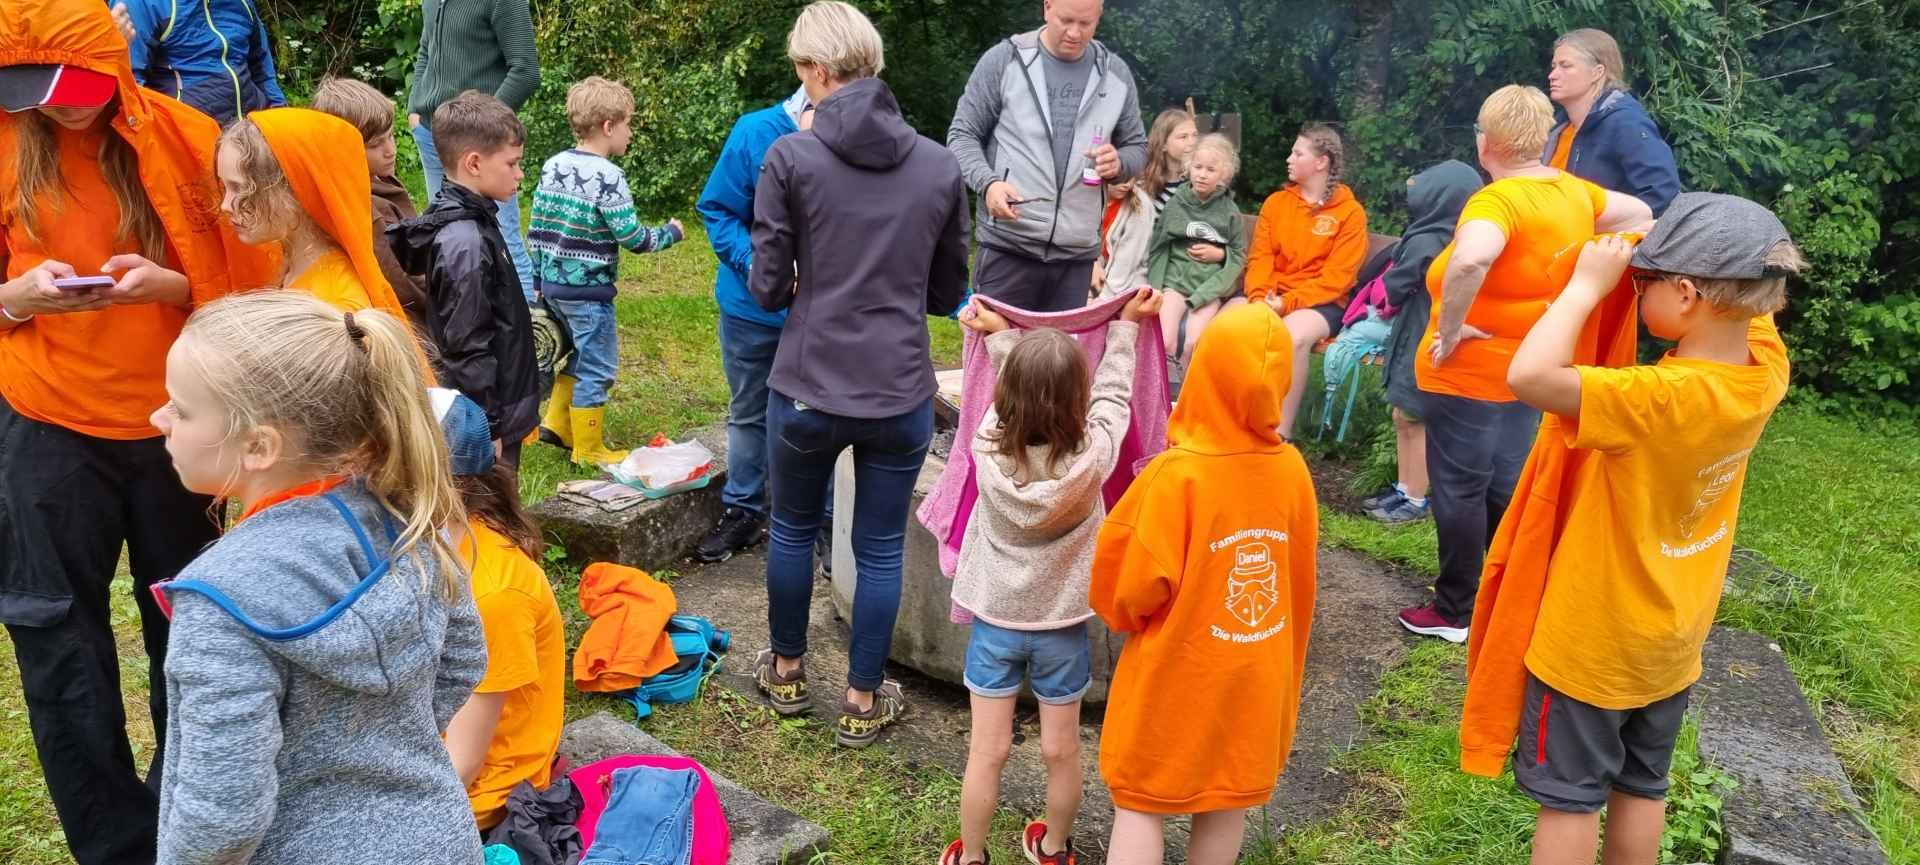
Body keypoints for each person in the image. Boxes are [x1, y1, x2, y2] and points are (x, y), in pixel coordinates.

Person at [0, 4, 277, 861]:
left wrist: (172, 286)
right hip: (46, 424)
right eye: (34, 91)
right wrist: (17, 299)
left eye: (73, 89)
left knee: (195, 631)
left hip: (181, 427)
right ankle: (114, 845)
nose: (56, 107)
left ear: (116, 64)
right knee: (57, 639)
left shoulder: (186, 137)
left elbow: (255, 277)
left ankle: (192, 822)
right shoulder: (8, 137)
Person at [1500, 195, 1798, 865]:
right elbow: (1756, 302)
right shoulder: (1763, 376)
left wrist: (1586, 286)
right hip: (1673, 639)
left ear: (1687, 294)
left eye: (1644, 283)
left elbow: (1529, 375)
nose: (1634, 292)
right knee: (1642, 784)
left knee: (1572, 800)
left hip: (1594, 644)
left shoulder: (1654, 399)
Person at [148, 291, 486, 864]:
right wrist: (388, 744)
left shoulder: (219, 599)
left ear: (258, 446)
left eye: (180, 410)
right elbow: (464, 657)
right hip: (438, 839)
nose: (158, 418)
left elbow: (220, 821)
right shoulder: (405, 519)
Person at [748, 1, 970, 748]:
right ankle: (862, 698)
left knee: (791, 528)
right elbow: (945, 292)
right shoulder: (939, 165)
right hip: (899, 389)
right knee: (878, 547)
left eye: (800, 70)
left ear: (817, 70)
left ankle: (785, 672)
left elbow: (766, 287)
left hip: (808, 384)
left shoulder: (791, 157)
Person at [1396, 85, 1653, 642]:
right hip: (1532, 370)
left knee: (1460, 488)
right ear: (1541, 139)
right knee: (1502, 482)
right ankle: (1510, 589)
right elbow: (1640, 213)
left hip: (1468, 372)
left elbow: (1471, 259)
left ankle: (1455, 610)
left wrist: (1450, 327)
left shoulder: (1497, 201)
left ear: (1485, 143)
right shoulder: (1572, 192)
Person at [1089, 302, 1318, 865]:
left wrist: (1122, 613)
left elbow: (1126, 591)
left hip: (1176, 678)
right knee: (1226, 798)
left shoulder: (1176, 476)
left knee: (1141, 801)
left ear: (1204, 373)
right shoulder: (1292, 472)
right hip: (1258, 678)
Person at [940, 287, 1162, 865]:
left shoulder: (986, 443)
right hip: (1062, 629)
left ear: (1005, 397)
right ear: (1078, 400)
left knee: (986, 752)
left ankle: (972, 856)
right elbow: (1115, 393)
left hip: (995, 626)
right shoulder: (1095, 454)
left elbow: (1010, 393)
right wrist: (1125, 328)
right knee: (1062, 751)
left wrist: (999, 340)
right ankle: (1055, 846)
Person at [948, 0, 1149, 312]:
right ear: (1047, 7)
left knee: (1063, 348)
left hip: (1076, 257)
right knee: (999, 345)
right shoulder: (1005, 60)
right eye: (1066, 21)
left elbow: (1138, 147)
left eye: (1086, 24)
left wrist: (1119, 163)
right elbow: (962, 135)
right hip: (1007, 246)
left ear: (1099, 16)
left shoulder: (1116, 74)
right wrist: (988, 185)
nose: (1074, 33)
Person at [527, 76, 685, 466]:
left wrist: (539, 281)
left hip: (554, 287)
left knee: (580, 354)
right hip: (589, 294)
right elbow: (632, 237)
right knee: (598, 365)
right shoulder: (608, 176)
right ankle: (588, 449)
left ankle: (557, 425)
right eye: (628, 124)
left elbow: (538, 228)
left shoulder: (553, 165)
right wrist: (670, 233)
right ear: (609, 126)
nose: (631, 133)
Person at [432, 388, 565, 832]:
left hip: (480, 797)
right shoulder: (428, 541)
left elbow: (463, 763)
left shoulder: (493, 594)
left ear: (450, 483)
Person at [388, 91, 540, 468]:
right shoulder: (465, 243)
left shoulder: (477, 219)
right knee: (490, 501)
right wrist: (488, 428)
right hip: (486, 423)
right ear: (473, 163)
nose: (520, 174)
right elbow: (467, 345)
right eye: (512, 163)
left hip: (498, 408)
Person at [693, 86, 809, 564]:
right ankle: (743, 510)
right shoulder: (756, 131)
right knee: (748, 411)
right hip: (751, 310)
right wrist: (758, 266)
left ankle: (817, 521)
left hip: (823, 316)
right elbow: (718, 209)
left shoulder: (861, 135)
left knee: (818, 417)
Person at [215, 108, 416, 324]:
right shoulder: (289, 256)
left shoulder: (336, 309)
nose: (225, 205)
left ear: (296, 190)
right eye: (225, 187)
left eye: (241, 189)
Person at [1365, 160, 1482, 524]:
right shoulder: (1460, 237)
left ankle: (1414, 499)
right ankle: (1404, 489)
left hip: (1418, 336)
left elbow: (1394, 288)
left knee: (1412, 416)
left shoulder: (1427, 239)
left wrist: (1383, 291)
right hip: (1427, 335)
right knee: (1405, 414)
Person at [404, 0, 541, 301]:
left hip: (480, 143)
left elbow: (526, 71)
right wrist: (415, 106)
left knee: (502, 237)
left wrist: (485, 128)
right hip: (430, 132)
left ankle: (529, 320)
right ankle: (463, 310)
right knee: (445, 230)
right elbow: (426, 51)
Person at [1243, 123, 1371, 437]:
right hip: (1270, 294)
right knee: (1228, 326)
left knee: (1292, 336)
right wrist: (1259, 298)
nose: (1289, 159)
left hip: (1323, 303)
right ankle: (1233, 422)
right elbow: (1260, 258)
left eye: (1297, 153)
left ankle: (1279, 435)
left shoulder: (1350, 213)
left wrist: (1286, 303)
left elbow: (1337, 279)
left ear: (1321, 162)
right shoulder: (1276, 203)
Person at [312, 76, 433, 332]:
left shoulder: (376, 178)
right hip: (407, 324)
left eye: (391, 136)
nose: (391, 150)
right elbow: (404, 284)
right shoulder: (370, 211)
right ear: (341, 150)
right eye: (376, 144)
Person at [1544, 28, 1681, 217]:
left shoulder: (1626, 123)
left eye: (1565, 66)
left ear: (1597, 72)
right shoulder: (1555, 126)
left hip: (1603, 234)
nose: (1552, 75)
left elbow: (1662, 194)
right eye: (1554, 66)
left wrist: (1611, 228)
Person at [1146, 133, 1247, 366]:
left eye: (1211, 170)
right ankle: (1161, 387)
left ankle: (1187, 387)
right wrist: (1155, 288)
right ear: (1189, 167)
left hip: (1208, 288)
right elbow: (1159, 248)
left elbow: (1238, 256)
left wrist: (1221, 255)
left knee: (1194, 342)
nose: (1202, 174)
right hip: (1175, 284)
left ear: (1224, 174)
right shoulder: (1176, 204)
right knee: (1164, 340)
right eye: (1198, 167)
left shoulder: (1229, 211)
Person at [117, 0, 288, 124]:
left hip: (249, 130)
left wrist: (279, 111)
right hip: (187, 136)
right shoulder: (142, 4)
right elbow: (129, 86)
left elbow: (262, 69)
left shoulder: (241, 3)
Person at [1093, 175, 1155, 300]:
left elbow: (1126, 262)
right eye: (1120, 177)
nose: (1126, 184)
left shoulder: (1140, 205)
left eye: (1131, 177)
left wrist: (1102, 299)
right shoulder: (1092, 195)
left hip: (1126, 282)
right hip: (1097, 274)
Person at [1139, 106, 1198, 210]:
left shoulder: (1199, 181)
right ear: (1163, 144)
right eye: (1183, 137)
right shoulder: (1143, 184)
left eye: (1195, 135)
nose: (1192, 142)